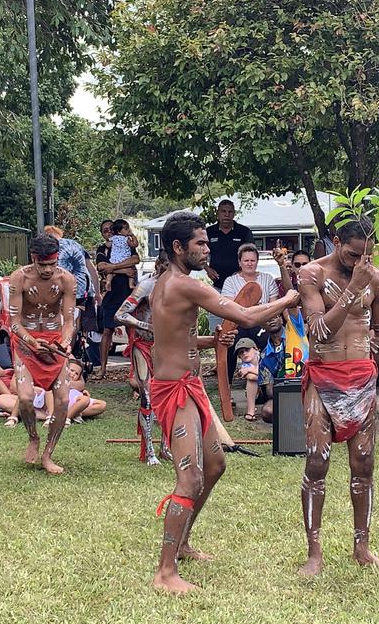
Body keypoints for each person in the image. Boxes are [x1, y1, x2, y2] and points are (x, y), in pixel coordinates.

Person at [148, 211, 297, 594]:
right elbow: (245, 314)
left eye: (207, 241)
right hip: (174, 390)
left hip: (189, 384)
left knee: (215, 465)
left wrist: (204, 345)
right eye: (199, 243)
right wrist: (289, 298)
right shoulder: (184, 284)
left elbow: (171, 336)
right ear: (178, 247)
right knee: (190, 476)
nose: (207, 248)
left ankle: (181, 545)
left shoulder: (171, 281)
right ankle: (165, 573)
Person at [296, 216, 379, 578]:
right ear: (336, 241)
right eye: (353, 254)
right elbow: (319, 332)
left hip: (361, 380)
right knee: (317, 464)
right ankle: (314, 552)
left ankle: (362, 547)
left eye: (366, 256)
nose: (360, 262)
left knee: (363, 467)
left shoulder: (375, 278)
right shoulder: (312, 275)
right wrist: (353, 288)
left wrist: (373, 357)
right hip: (323, 377)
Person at [7, 233, 79, 474]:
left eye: (53, 263)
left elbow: (69, 319)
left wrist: (66, 341)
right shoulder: (20, 278)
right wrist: (30, 340)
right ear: (34, 259)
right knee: (25, 398)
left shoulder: (66, 279)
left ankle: (48, 454)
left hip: (55, 342)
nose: (48, 270)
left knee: (63, 400)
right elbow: (14, 321)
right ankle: (33, 437)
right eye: (43, 264)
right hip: (26, 341)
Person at [115, 255, 168, 465]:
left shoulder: (177, 285)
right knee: (147, 397)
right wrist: (146, 327)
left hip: (166, 348)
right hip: (143, 345)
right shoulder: (147, 285)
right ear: (158, 266)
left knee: (166, 396)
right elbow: (120, 314)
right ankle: (150, 451)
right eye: (165, 267)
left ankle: (165, 447)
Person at [222, 243, 280, 384]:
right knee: (228, 344)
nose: (249, 264)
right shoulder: (230, 281)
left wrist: (256, 312)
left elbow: (273, 307)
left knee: (270, 342)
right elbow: (229, 308)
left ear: (257, 261)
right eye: (246, 260)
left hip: (262, 323)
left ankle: (270, 385)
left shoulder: (267, 279)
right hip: (238, 324)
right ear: (239, 262)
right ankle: (227, 387)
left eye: (252, 260)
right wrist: (255, 308)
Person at [95, 220, 140, 380]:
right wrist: (123, 269)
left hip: (128, 293)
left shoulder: (126, 243)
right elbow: (102, 267)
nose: (109, 232)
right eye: (105, 230)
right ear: (103, 233)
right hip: (111, 294)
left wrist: (113, 267)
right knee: (108, 330)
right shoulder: (102, 248)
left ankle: (136, 369)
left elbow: (135, 260)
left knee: (132, 330)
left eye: (111, 229)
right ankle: (102, 368)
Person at [45, 224, 101, 339]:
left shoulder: (50, 248)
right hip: (85, 290)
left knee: (63, 323)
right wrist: (97, 293)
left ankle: (67, 347)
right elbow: (92, 270)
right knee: (85, 328)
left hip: (64, 291)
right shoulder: (77, 245)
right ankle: (82, 339)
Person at [205, 199, 254, 291]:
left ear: (234, 213)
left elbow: (252, 256)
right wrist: (207, 269)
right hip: (217, 285)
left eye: (230, 212)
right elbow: (198, 252)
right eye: (223, 211)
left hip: (240, 285)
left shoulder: (244, 232)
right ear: (217, 213)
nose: (227, 215)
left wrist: (241, 272)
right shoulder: (209, 232)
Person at [105, 219, 138, 291]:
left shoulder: (113, 238)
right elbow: (134, 245)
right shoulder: (126, 239)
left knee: (110, 273)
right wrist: (133, 236)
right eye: (126, 229)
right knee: (132, 270)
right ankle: (131, 284)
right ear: (119, 231)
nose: (128, 230)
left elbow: (107, 244)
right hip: (125, 259)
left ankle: (108, 281)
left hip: (114, 259)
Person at [235, 337, 261, 422]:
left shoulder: (265, 357)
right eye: (241, 353)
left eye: (247, 349)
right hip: (259, 391)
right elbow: (251, 377)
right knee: (252, 379)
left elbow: (269, 373)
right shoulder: (244, 366)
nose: (245, 353)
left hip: (271, 385)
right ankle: (251, 411)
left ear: (255, 349)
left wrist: (250, 370)